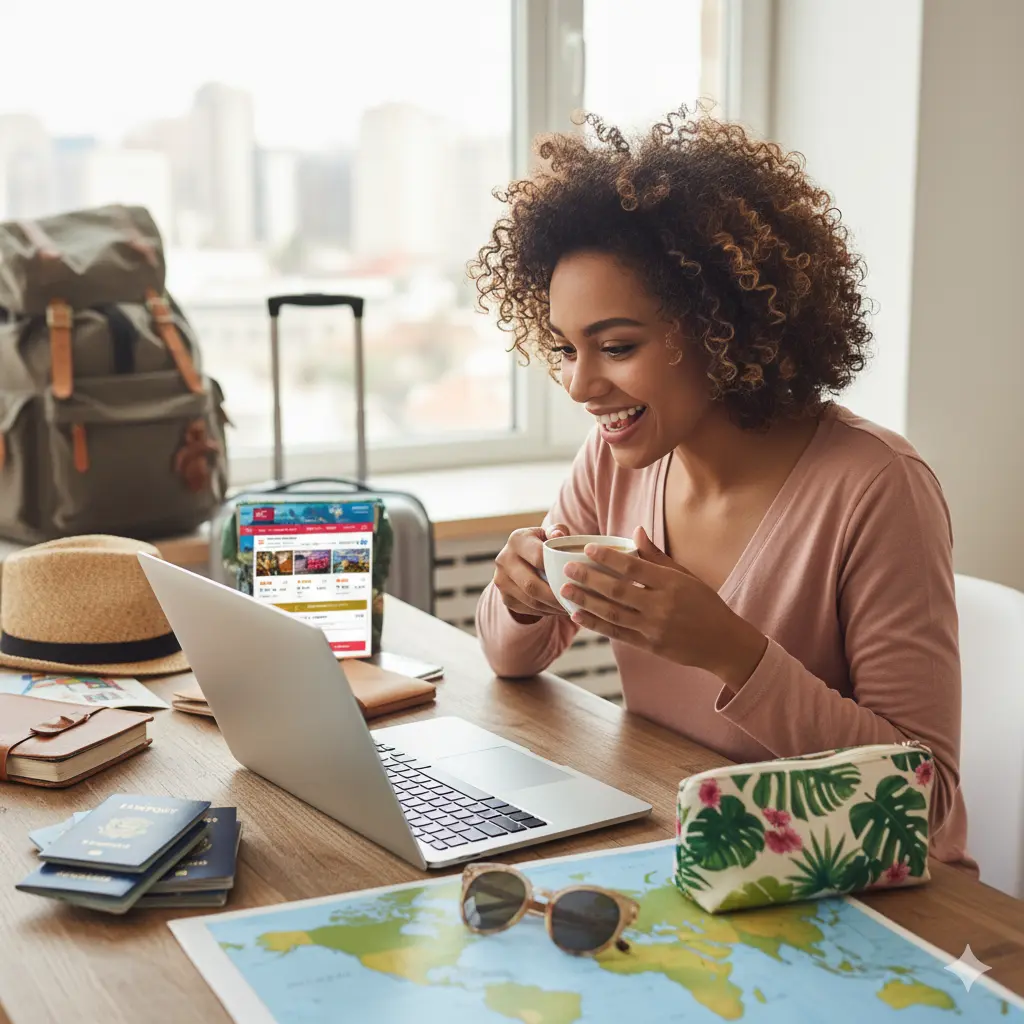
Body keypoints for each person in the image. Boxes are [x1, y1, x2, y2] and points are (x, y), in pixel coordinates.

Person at [468, 108, 974, 873]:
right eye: (566, 348)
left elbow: (923, 798)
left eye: (616, 346)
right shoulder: (615, 460)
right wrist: (518, 597)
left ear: (721, 327)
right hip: (706, 862)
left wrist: (733, 652)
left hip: (866, 896)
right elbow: (512, 659)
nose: (579, 383)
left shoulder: (877, 489)